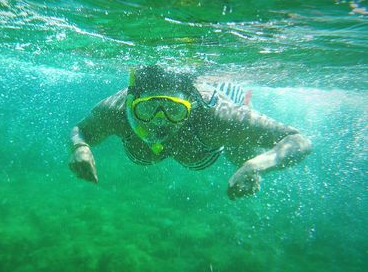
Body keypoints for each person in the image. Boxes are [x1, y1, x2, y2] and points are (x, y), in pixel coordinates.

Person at [69, 65, 312, 199]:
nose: (160, 122)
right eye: (148, 108)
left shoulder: (213, 116)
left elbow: (298, 140)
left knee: (240, 151)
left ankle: (245, 114)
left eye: (174, 110)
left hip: (225, 105)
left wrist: (256, 166)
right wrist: (80, 147)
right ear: (132, 104)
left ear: (191, 106)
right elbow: (81, 130)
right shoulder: (117, 110)